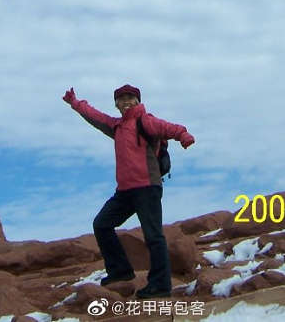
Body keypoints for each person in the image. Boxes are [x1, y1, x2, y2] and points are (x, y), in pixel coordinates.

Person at [62, 83, 195, 298]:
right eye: (121, 99)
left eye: (130, 98)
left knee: (153, 236)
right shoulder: (117, 126)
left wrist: (184, 136)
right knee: (102, 224)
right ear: (116, 104)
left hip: (147, 188)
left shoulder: (146, 121)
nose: (125, 102)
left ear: (138, 101)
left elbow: (169, 128)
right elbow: (95, 116)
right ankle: (120, 271)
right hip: (125, 191)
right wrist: (75, 103)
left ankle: (160, 285)